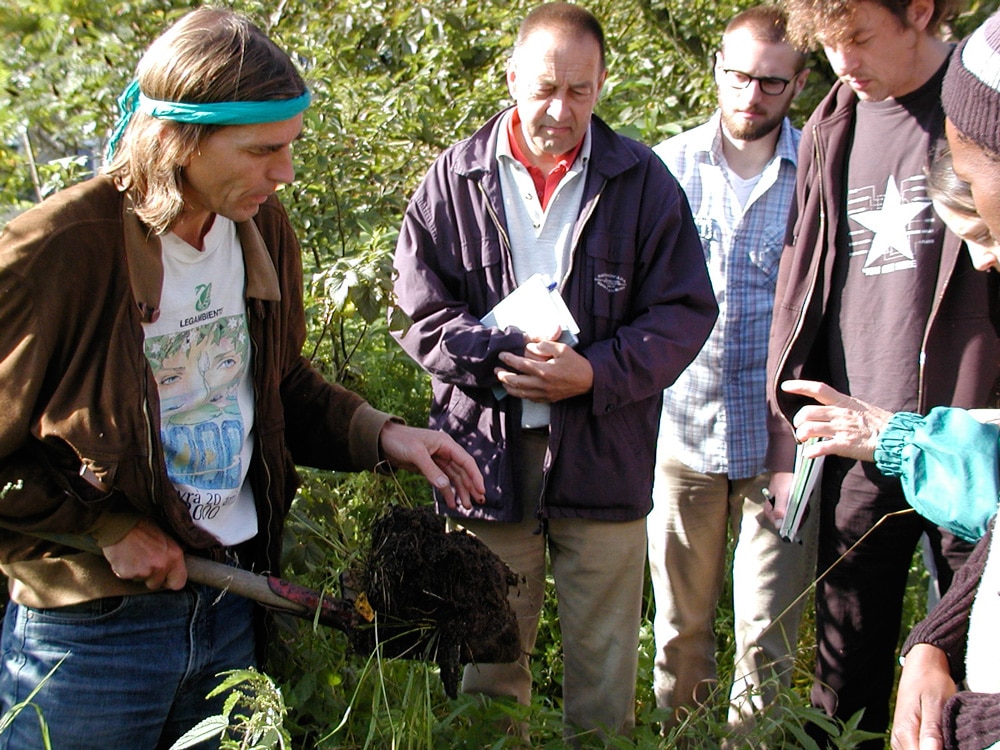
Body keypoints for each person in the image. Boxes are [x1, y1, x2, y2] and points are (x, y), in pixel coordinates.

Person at [0, 9, 485, 749]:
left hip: (230, 611)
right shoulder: (60, 250)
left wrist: (384, 435)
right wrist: (102, 527)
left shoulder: (260, 227)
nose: (285, 173)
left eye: (289, 148)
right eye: (263, 151)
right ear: (177, 140)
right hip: (89, 638)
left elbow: (279, 382)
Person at [391, 2, 718, 740]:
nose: (558, 109)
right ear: (511, 78)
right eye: (542, 88)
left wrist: (595, 373)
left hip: (605, 455)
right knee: (486, 666)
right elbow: (418, 312)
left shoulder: (642, 181)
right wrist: (496, 356)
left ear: (603, 84)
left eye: (578, 90)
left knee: (603, 678)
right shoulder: (454, 179)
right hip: (482, 457)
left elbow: (684, 314)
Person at [764, 0, 1000, 745]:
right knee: (845, 665)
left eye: (859, 38)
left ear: (921, 11)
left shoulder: (978, 107)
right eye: (829, 46)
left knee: (969, 662)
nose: (844, 64)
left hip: (969, 435)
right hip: (852, 435)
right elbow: (798, 283)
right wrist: (787, 444)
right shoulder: (833, 122)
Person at [646, 5, 812, 732]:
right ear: (717, 68)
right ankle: (677, 741)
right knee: (680, 636)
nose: (751, 96)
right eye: (739, 76)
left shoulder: (819, 174)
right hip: (682, 433)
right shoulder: (663, 168)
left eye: (772, 83)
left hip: (783, 443)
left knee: (766, 641)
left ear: (800, 83)